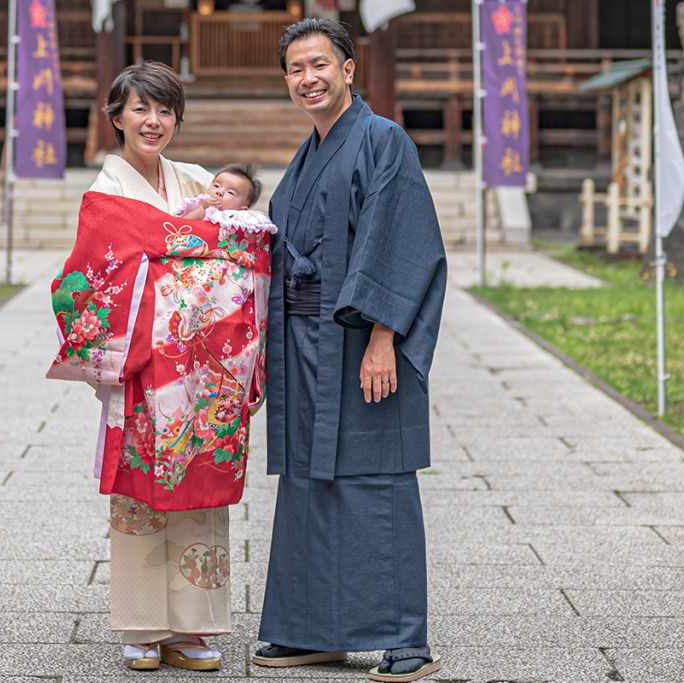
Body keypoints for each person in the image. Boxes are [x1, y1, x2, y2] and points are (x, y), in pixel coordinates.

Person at [250, 19, 448, 683]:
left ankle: (405, 638)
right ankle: (312, 631)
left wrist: (384, 336)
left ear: (347, 69)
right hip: (304, 341)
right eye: (295, 69)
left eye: (319, 64)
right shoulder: (307, 155)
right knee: (309, 478)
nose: (308, 78)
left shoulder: (382, 139)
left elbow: (399, 235)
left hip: (361, 338)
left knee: (374, 477)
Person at [58, 61, 240, 673]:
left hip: (199, 368)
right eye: (140, 109)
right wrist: (176, 251)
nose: (153, 121)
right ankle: (141, 624)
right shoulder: (106, 192)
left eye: (165, 110)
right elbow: (88, 279)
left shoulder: (198, 182)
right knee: (140, 493)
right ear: (116, 117)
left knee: (198, 487)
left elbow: (235, 247)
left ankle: (193, 625)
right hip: (142, 364)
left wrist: (177, 252)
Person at [176, 163, 277, 234]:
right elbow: (181, 224)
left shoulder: (240, 220)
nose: (219, 192)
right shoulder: (201, 206)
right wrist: (202, 208)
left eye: (230, 192)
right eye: (216, 186)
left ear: (242, 209)